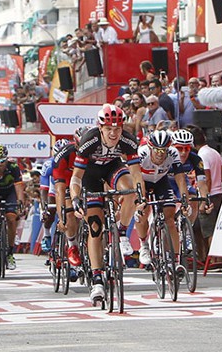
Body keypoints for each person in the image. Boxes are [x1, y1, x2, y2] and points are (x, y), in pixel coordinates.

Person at [70, 105, 144, 303]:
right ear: (100, 128)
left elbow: (136, 173)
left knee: (129, 188)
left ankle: (121, 233)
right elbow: (76, 177)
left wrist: (140, 196)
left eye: (117, 129)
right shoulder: (90, 140)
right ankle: (96, 280)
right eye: (109, 129)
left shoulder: (128, 140)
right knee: (95, 227)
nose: (113, 133)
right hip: (89, 175)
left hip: (112, 168)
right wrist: (76, 198)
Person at [134, 130, 190, 265]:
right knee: (142, 213)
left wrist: (184, 201)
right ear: (150, 148)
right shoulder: (142, 153)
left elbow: (180, 178)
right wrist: (140, 200)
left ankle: (176, 260)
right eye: (157, 150)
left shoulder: (173, 153)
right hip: (143, 182)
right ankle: (144, 245)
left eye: (163, 150)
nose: (160, 154)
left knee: (170, 219)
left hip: (161, 181)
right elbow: (136, 178)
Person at [52, 126, 92, 277]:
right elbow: (59, 190)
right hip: (68, 183)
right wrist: (62, 218)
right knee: (70, 214)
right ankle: (72, 245)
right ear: (76, 144)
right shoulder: (63, 156)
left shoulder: (96, 151)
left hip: (88, 180)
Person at [0, 144, 27, 271]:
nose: (0, 164)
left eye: (2, 160)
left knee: (11, 218)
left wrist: (20, 203)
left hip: (10, 191)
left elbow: (19, 187)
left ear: (6, 159)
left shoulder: (13, 167)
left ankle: (9, 253)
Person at [186, 125, 222, 259]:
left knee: (208, 231)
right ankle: (212, 258)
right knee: (214, 230)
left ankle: (212, 259)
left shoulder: (201, 155)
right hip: (219, 194)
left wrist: (204, 200)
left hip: (209, 196)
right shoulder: (214, 152)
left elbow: (206, 178)